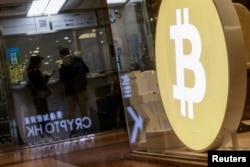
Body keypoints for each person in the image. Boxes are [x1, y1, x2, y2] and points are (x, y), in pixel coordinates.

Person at [59, 47, 89, 137]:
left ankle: (74, 130)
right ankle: (86, 128)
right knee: (83, 108)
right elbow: (86, 69)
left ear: (62, 55)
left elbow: (62, 79)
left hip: (69, 90)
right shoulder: (78, 59)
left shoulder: (62, 64)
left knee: (71, 110)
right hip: (79, 88)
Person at [27, 55, 53, 139]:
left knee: (40, 114)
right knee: (44, 113)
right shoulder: (35, 71)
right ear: (37, 62)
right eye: (40, 61)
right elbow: (40, 83)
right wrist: (48, 76)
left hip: (35, 95)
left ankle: (42, 133)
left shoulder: (30, 70)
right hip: (40, 95)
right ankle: (47, 132)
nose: (41, 63)